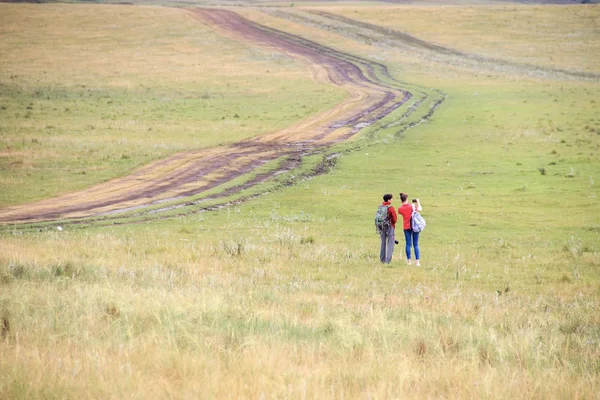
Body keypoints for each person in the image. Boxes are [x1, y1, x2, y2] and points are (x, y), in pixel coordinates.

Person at [397, 193, 422, 266]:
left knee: (408, 244)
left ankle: (409, 261)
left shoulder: (400, 209)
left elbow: (402, 212)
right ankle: (417, 262)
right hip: (414, 226)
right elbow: (420, 209)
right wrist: (418, 202)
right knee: (416, 244)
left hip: (406, 227)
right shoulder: (412, 206)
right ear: (407, 199)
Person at [378, 193, 398, 264]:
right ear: (389, 200)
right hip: (389, 226)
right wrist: (391, 222)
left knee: (383, 243)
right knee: (390, 243)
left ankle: (382, 259)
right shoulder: (390, 208)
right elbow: (395, 219)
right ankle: (387, 260)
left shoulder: (380, 206)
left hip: (381, 226)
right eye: (391, 198)